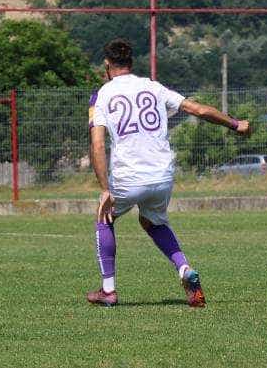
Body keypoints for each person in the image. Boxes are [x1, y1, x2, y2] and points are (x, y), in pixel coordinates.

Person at [87, 38, 251, 307]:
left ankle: (108, 290)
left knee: (104, 218)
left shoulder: (102, 95)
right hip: (162, 174)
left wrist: (105, 188)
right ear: (131, 63)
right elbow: (197, 109)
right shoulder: (153, 87)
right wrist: (235, 124)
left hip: (128, 176)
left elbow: (97, 144)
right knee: (152, 222)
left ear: (107, 66)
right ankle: (185, 269)